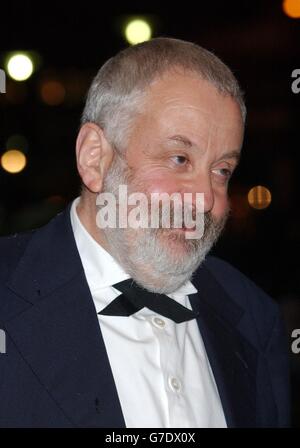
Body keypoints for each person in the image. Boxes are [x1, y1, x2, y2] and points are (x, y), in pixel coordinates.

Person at [0, 37, 290, 428]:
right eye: (179, 158)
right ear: (95, 158)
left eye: (222, 170)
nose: (206, 199)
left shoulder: (254, 317)